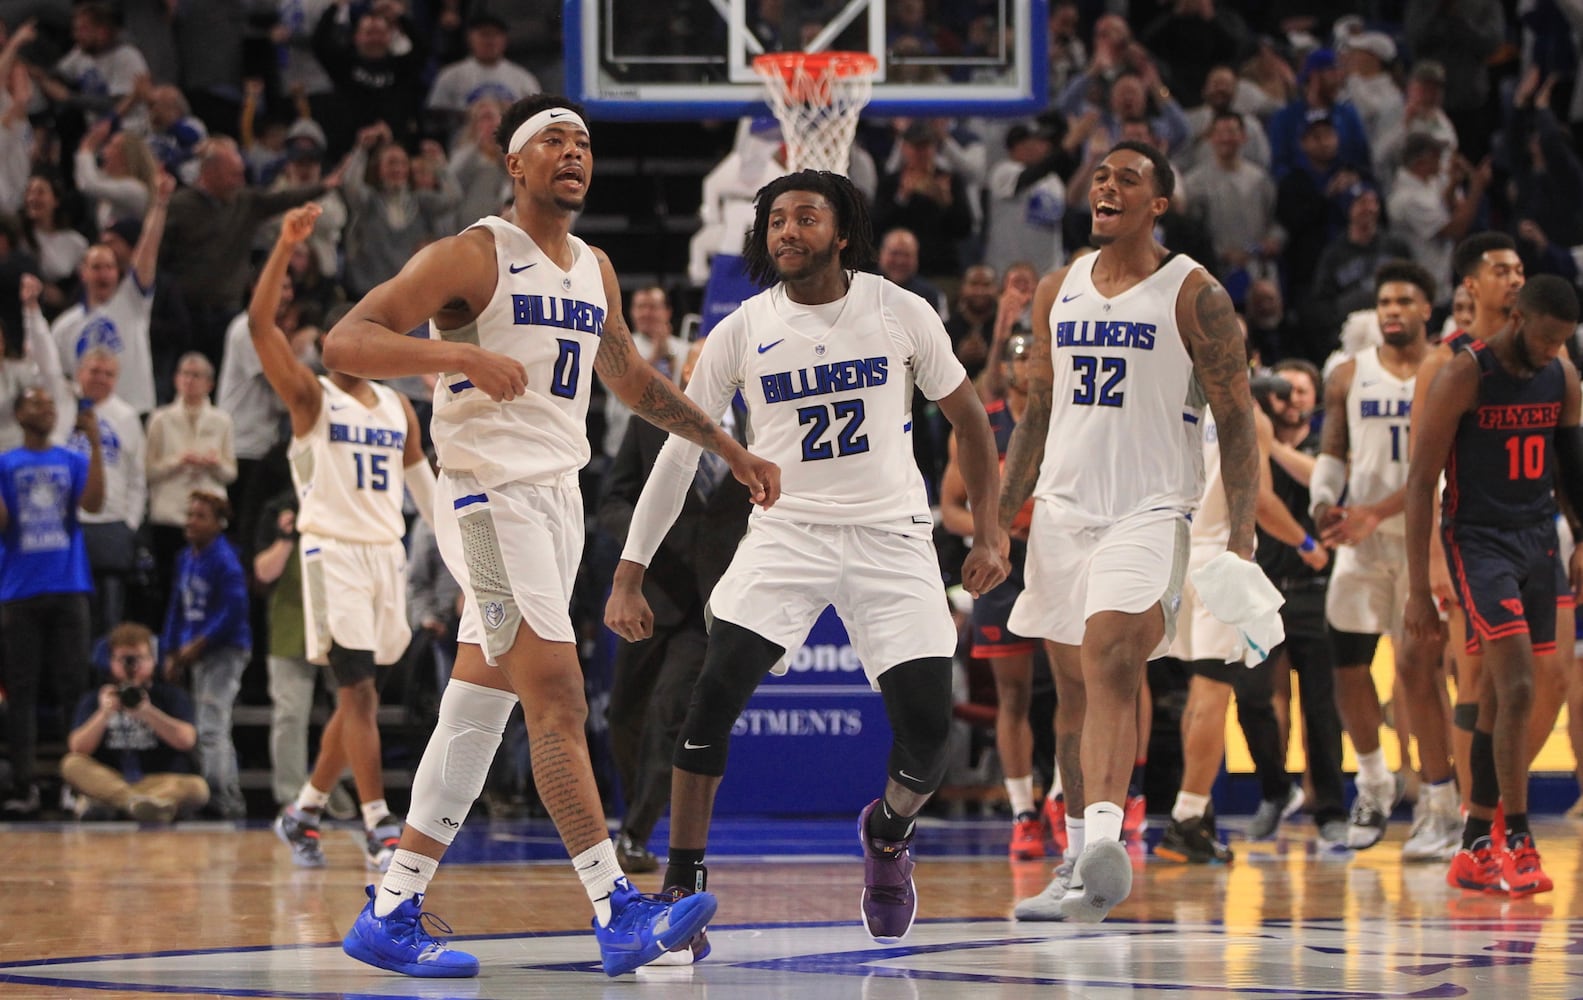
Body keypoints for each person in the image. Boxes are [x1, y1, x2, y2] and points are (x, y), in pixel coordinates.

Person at [319, 94, 779, 979]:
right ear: (516, 164)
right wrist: (454, 356)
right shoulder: (474, 253)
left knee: (478, 708)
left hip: (556, 502)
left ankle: (389, 910)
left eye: (584, 142)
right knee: (558, 699)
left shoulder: (595, 268)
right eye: (554, 141)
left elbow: (629, 379)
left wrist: (723, 442)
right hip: (486, 503)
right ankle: (615, 908)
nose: (574, 153)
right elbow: (347, 340)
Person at [606, 168, 1009, 953]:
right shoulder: (741, 327)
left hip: (890, 534)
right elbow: (678, 456)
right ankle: (682, 887)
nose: (786, 231)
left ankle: (886, 837)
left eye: (804, 218)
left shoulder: (899, 311)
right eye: (775, 221)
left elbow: (969, 420)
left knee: (928, 738)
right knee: (709, 697)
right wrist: (629, 570)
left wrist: (988, 533)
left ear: (842, 232)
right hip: (786, 534)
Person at [999, 141, 1266, 924]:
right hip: (1059, 512)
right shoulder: (1057, 289)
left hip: (1150, 509)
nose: (1107, 184)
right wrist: (994, 524)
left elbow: (1237, 419)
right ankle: (1077, 858)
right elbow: (1036, 416)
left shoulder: (1195, 293)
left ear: (1159, 205)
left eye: (1129, 178)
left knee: (1112, 654)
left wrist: (1242, 535)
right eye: (1101, 176)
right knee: (1070, 693)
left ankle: (1107, 843)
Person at [253, 204, 433, 870]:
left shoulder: (397, 408)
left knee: (362, 697)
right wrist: (284, 244)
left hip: (387, 555)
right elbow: (259, 326)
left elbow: (427, 497)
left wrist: (470, 564)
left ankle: (302, 812)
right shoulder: (309, 396)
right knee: (355, 693)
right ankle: (379, 823)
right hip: (331, 550)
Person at [1404, 274, 1583, 897]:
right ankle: (1519, 839)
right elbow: (1421, 481)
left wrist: (1580, 537)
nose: (1552, 349)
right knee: (1517, 685)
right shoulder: (1465, 373)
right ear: (1516, 315)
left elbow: (1572, 469)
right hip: (1477, 542)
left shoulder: (1561, 376)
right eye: (1546, 337)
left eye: (1563, 340)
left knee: (1515, 695)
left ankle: (1476, 841)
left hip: (1538, 538)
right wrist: (1417, 589)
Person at [1308, 259, 1457, 858]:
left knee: (1420, 673)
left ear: (1427, 308)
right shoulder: (1348, 373)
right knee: (1346, 666)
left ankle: (1438, 802)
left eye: (1404, 301)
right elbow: (1333, 449)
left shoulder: (1447, 370)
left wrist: (1373, 511)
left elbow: (1440, 471)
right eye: (1385, 302)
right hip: (1363, 539)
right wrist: (1323, 500)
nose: (1392, 311)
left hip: (1427, 541)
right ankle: (1373, 782)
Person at [596, 340, 753, 874]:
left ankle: (636, 834)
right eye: (696, 364)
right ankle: (633, 817)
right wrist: (642, 545)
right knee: (624, 715)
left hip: (712, 603)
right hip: (652, 592)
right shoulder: (647, 424)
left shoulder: (757, 431)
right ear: (684, 374)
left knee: (669, 713)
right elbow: (614, 501)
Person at [941, 330, 1043, 858]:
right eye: (1020, 357)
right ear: (1005, 366)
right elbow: (951, 505)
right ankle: (1023, 810)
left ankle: (1073, 802)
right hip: (1004, 563)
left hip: (1058, 558)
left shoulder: (1064, 416)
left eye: (1036, 358)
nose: (1028, 367)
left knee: (1077, 689)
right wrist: (989, 533)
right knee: (1013, 694)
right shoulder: (984, 422)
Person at [0, 386, 104, 817]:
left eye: (50, 403)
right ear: (19, 414)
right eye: (36, 403)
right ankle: (24, 787)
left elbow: (95, 503)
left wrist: (95, 443)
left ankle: (70, 785)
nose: (46, 409)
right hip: (18, 590)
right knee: (20, 692)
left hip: (68, 586)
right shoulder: (6, 463)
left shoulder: (72, 458)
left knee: (72, 688)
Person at [60, 621, 209, 823]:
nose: (132, 666)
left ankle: (120, 805)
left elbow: (187, 740)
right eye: (124, 659)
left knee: (197, 787)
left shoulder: (171, 696)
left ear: (152, 660)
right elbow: (77, 747)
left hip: (157, 781)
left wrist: (148, 712)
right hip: (110, 779)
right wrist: (103, 714)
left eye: (138, 658)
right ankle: (136, 804)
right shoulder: (96, 697)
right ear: (111, 662)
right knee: (71, 764)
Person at [161, 489, 251, 819]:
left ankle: (225, 800)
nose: (191, 522)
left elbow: (234, 611)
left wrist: (199, 643)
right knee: (206, 725)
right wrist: (170, 650)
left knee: (213, 725)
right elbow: (176, 606)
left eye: (200, 516)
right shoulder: (185, 558)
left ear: (219, 524)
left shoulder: (225, 560)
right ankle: (220, 793)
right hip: (194, 652)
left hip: (225, 651)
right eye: (189, 515)